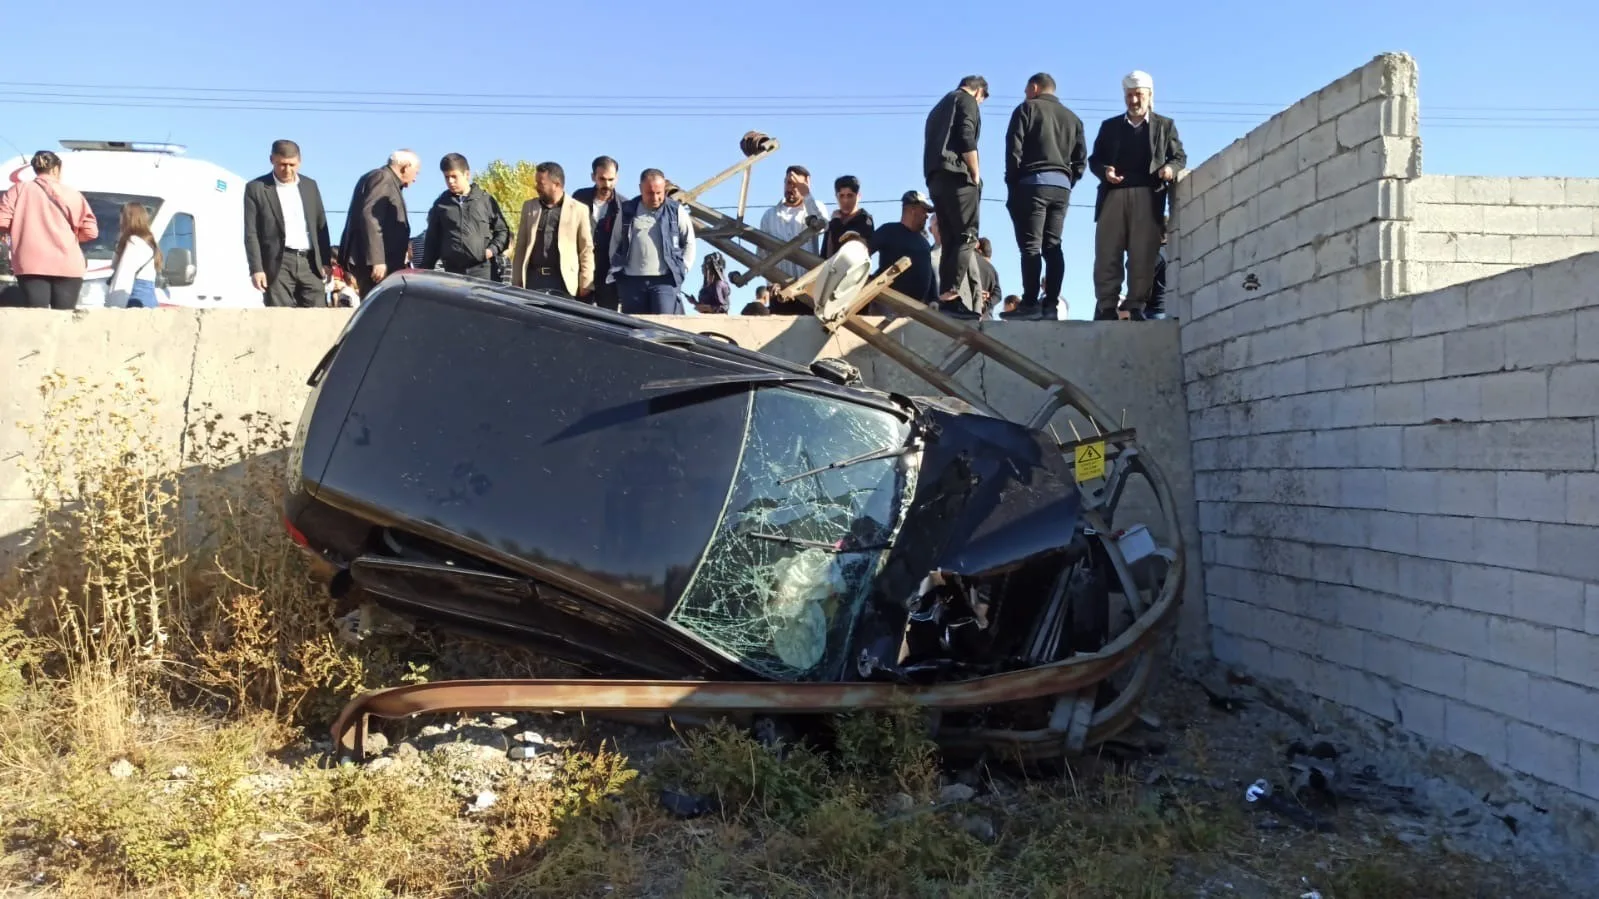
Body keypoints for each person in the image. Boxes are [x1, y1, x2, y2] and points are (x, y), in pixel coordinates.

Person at [1088, 70, 1186, 321]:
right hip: (1113, 195)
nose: (1133, 100)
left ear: (1150, 95)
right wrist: (1105, 171)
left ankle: (1135, 306)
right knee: (1107, 252)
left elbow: (1179, 157)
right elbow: (1095, 159)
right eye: (1129, 95)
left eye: (1138, 95)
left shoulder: (1165, 125)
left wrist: (1169, 169)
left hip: (1148, 195)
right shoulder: (1109, 127)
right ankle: (1107, 306)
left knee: (1143, 254)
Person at [1001, 72, 1086, 321]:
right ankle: (1050, 304)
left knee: (1030, 246)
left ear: (1035, 88)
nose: (1025, 94)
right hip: (1061, 188)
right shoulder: (1073, 118)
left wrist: (1012, 182)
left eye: (1027, 89)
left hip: (1032, 184)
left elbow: (1013, 149)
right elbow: (1081, 159)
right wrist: (1069, 181)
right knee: (1053, 245)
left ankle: (1029, 304)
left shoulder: (1026, 109)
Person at [923, 74, 988, 317]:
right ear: (979, 92)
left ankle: (946, 298)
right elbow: (966, 135)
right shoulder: (966, 100)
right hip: (957, 175)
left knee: (949, 237)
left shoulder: (939, 106)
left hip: (936, 176)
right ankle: (950, 294)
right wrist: (975, 173)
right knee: (967, 236)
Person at [0, 150, 98, 309]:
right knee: (63, 319)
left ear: (35, 169)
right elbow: (91, 232)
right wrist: (68, 238)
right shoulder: (73, 194)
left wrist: (21, 230)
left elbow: (2, 222)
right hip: (68, 263)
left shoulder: (17, 190)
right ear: (56, 169)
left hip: (30, 262)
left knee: (37, 317)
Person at [244, 139, 333, 308]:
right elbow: (251, 233)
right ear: (272, 160)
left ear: (299, 162)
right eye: (282, 164)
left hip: (310, 264)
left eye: (292, 165)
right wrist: (256, 268)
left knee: (317, 317)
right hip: (278, 264)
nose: (287, 170)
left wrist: (326, 261)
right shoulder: (256, 188)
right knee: (281, 318)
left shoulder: (310, 186)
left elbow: (321, 225)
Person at [606, 168, 696, 315]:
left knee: (664, 327)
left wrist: (683, 267)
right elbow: (615, 241)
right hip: (631, 282)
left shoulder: (676, 211)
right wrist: (616, 267)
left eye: (659, 193)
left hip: (665, 281)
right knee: (635, 328)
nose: (655, 198)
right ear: (640, 189)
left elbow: (689, 242)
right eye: (650, 193)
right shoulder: (627, 210)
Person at [340, 149, 420, 295]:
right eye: (416, 172)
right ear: (406, 166)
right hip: (377, 266)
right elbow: (370, 217)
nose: (415, 178)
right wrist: (377, 260)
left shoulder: (385, 180)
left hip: (383, 263)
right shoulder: (383, 177)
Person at [510, 161, 593, 300]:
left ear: (556, 184)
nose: (537, 187)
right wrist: (517, 278)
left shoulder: (579, 210)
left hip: (564, 281)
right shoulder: (529, 207)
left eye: (541, 184)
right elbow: (521, 245)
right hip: (533, 280)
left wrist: (586, 280)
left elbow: (586, 248)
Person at [421, 153, 511, 280]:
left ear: (467, 174)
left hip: (483, 271)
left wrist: (490, 251)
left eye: (454, 176)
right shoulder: (441, 204)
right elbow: (432, 241)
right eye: (447, 177)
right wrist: (425, 272)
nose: (450, 181)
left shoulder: (485, 200)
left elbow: (503, 231)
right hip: (452, 273)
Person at [758, 164, 828, 305]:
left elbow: (824, 226)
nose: (791, 188)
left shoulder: (814, 208)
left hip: (809, 293)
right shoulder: (769, 216)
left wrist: (807, 194)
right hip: (780, 293)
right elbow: (762, 254)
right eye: (788, 183)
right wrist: (771, 281)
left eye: (796, 184)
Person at [867, 190, 938, 316]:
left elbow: (930, 273)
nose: (926, 216)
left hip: (917, 310)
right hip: (888, 305)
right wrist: (867, 281)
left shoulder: (924, 243)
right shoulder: (888, 231)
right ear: (912, 209)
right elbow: (865, 252)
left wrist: (933, 299)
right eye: (924, 211)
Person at [571, 156, 626, 311]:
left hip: (608, 276)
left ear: (617, 178)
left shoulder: (624, 206)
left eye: (611, 179)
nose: (607, 184)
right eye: (602, 179)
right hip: (580, 271)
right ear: (593, 177)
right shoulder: (579, 198)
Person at [108, 201, 163, 308]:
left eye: (121, 217)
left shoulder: (134, 242)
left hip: (134, 299)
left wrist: (113, 307)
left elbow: (123, 276)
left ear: (127, 218)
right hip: (147, 298)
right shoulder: (147, 241)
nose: (119, 221)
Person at [822, 175, 874, 258]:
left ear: (858, 196)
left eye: (850, 196)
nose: (845, 200)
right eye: (841, 196)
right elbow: (825, 253)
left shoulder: (864, 220)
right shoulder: (833, 221)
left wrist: (836, 222)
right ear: (836, 196)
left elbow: (842, 243)